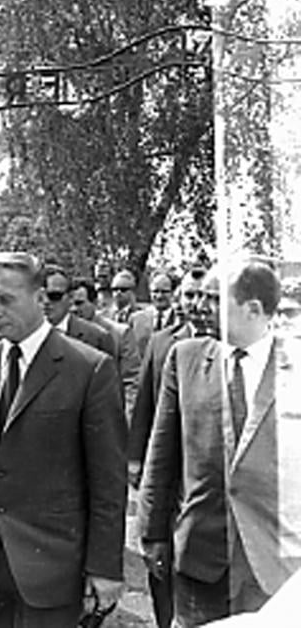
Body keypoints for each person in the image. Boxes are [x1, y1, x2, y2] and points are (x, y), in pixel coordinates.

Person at [0, 251, 127, 628]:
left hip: (51, 568)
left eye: (6, 300)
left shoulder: (89, 369)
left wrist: (104, 568)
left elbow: (108, 483)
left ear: (40, 300)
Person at [138, 261, 301, 626]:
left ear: (253, 309)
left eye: (214, 300)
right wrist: (151, 534)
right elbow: (161, 455)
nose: (199, 307)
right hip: (201, 559)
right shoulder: (185, 358)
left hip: (278, 562)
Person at [125, 265, 207, 628]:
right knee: (162, 569)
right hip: (166, 474)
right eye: (189, 295)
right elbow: (144, 405)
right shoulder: (163, 344)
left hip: (203, 483)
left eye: (205, 296)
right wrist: (135, 461)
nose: (196, 303)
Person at [65, 275, 141, 417]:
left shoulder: (119, 334)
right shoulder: (62, 335)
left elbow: (131, 383)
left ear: (95, 303)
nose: (74, 309)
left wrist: (126, 422)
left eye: (79, 303)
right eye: (70, 304)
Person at [130, 271, 177, 357]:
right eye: (155, 291)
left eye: (164, 292)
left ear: (172, 293)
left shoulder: (179, 320)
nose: (159, 296)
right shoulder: (136, 319)